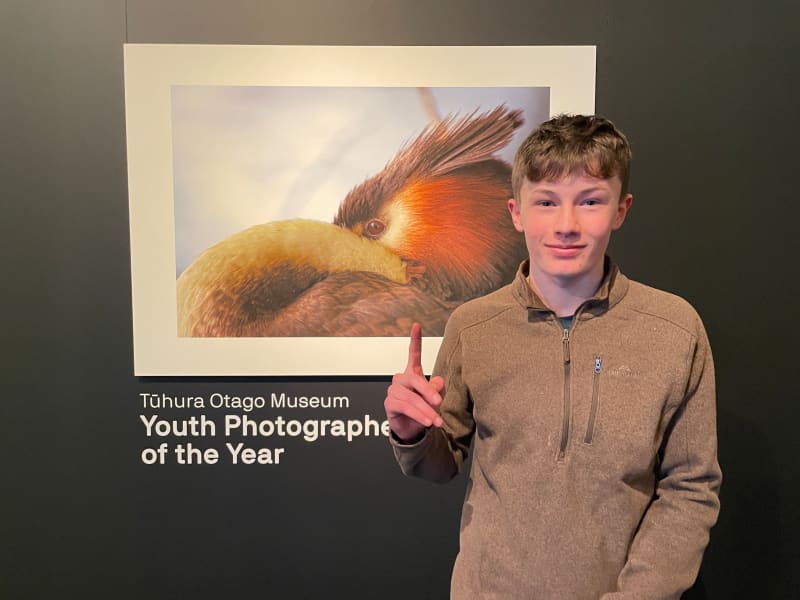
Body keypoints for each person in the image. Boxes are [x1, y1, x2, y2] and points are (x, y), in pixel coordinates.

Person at [384, 114, 721, 599]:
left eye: (590, 201)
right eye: (546, 202)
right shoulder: (471, 326)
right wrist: (411, 434)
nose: (566, 226)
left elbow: (691, 487)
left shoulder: (674, 328)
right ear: (516, 212)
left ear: (621, 209)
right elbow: (439, 464)